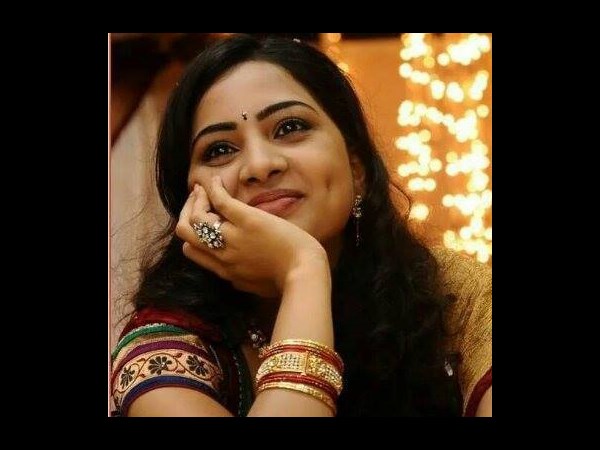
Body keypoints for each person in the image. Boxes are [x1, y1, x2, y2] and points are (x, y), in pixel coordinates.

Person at [110, 33, 492, 417]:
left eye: (290, 127)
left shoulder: (455, 297)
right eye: (220, 149)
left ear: (357, 169)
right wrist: (303, 270)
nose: (260, 165)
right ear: (190, 199)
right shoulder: (164, 347)